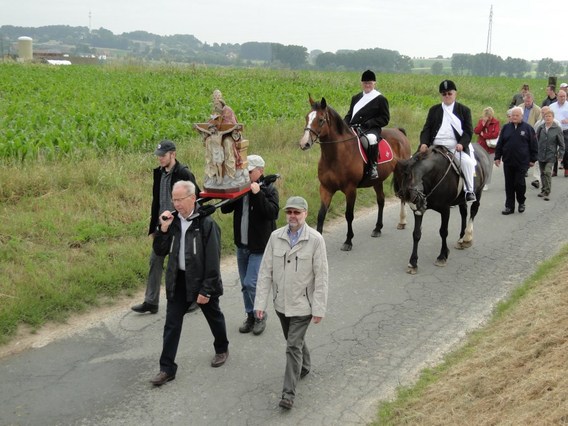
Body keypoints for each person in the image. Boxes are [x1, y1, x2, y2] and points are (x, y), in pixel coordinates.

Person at [150, 180, 229, 386]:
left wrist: (206, 289)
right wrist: (163, 230)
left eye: (180, 200)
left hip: (201, 280)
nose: (176, 204)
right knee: (172, 324)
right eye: (174, 200)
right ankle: (166, 369)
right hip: (179, 280)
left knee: (214, 317)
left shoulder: (206, 224)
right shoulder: (173, 222)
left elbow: (213, 260)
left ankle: (222, 348)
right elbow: (160, 251)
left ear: (193, 198)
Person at [254, 196, 328, 410]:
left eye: (297, 212)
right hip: (281, 305)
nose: (293, 216)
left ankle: (288, 394)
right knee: (293, 340)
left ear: (305, 214)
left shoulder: (315, 240)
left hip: (303, 306)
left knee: (292, 345)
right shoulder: (275, 237)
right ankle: (304, 366)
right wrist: (260, 304)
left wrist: (319, 307)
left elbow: (321, 276)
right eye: (289, 212)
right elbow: (265, 272)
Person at [132, 140, 200, 315]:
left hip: (178, 225)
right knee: (155, 260)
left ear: (173, 154)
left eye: (163, 155)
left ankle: (192, 298)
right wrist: (154, 225)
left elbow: (196, 197)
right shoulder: (159, 173)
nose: (160, 158)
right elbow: (157, 201)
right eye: (158, 155)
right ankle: (151, 301)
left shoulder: (184, 173)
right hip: (162, 224)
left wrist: (187, 220)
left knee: (181, 262)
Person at [220, 154, 279, 335]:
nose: (246, 174)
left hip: (259, 246)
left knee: (251, 283)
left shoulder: (268, 189)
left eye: (250, 171)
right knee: (245, 285)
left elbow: (272, 213)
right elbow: (224, 208)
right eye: (244, 170)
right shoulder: (241, 188)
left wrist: (257, 194)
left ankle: (260, 315)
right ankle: (250, 315)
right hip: (242, 245)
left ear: (260, 171)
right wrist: (232, 191)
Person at [419, 80, 477, 201]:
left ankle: (469, 190)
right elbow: (427, 128)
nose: (447, 96)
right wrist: (424, 143)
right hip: (435, 145)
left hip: (454, 145)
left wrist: (461, 143)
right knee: (414, 161)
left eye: (449, 93)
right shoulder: (434, 110)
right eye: (444, 94)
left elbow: (468, 131)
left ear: (455, 93)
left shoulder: (464, 110)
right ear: (441, 95)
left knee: (468, 163)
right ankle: (416, 188)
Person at [344, 69, 390, 180]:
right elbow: (350, 115)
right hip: (353, 127)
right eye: (365, 83)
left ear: (374, 83)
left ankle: (373, 167)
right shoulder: (356, 98)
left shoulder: (380, 99)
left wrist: (370, 123)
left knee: (370, 139)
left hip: (371, 129)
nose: (367, 85)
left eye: (369, 83)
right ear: (362, 83)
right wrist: (343, 124)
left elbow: (385, 118)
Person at [494, 107, 538, 215]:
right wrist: (497, 157)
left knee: (519, 183)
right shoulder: (506, 128)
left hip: (522, 161)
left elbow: (534, 144)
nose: (514, 117)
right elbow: (500, 143)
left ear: (522, 116)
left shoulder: (528, 128)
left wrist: (533, 159)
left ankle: (521, 201)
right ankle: (509, 206)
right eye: (512, 115)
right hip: (508, 160)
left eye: (516, 115)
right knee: (509, 184)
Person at [536, 109, 565, 201]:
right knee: (542, 173)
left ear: (553, 118)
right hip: (541, 154)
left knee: (548, 172)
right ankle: (543, 189)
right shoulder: (541, 128)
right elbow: (536, 140)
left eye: (549, 116)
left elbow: (561, 144)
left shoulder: (557, 129)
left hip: (551, 155)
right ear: (543, 117)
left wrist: (561, 155)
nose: (547, 118)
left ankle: (547, 191)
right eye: (546, 116)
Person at [473, 107, 500, 190]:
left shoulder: (496, 122)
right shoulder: (481, 121)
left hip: (491, 148)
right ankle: (475, 180)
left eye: (488, 116)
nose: (487, 118)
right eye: (485, 116)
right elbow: (476, 131)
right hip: (481, 147)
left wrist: (483, 135)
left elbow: (495, 134)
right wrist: (482, 124)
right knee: (476, 164)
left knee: (489, 166)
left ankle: (486, 183)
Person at [549, 89, 568, 176]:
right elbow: (548, 116)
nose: (563, 98)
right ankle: (554, 170)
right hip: (554, 129)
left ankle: (566, 168)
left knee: (566, 149)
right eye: (561, 96)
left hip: (565, 130)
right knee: (553, 149)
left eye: (564, 96)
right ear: (557, 97)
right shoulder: (552, 106)